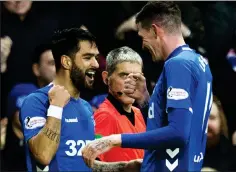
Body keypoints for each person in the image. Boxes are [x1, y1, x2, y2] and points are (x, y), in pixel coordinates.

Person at [82, 2, 213, 172]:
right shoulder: (199, 62)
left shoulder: (178, 64)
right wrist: (144, 98)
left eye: (143, 37)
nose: (143, 45)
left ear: (155, 30)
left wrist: (114, 140)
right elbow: (171, 126)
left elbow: (178, 132)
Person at [19, 28, 142, 172]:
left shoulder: (85, 107)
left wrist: (124, 167)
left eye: (95, 58)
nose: (96, 64)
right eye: (88, 57)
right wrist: (56, 108)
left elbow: (86, 164)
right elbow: (43, 155)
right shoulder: (37, 101)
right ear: (66, 62)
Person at [2, 43, 55, 172]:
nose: (58, 68)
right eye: (52, 63)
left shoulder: (73, 99)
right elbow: (24, 120)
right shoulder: (24, 91)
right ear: (36, 69)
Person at [94, 46, 146, 162]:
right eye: (124, 75)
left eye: (136, 77)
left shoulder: (140, 113)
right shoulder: (104, 116)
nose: (130, 83)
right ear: (106, 78)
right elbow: (94, 164)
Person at [202, 95, 236, 171]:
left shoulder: (234, 156)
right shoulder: (182, 154)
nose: (206, 124)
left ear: (221, 122)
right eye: (202, 118)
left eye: (211, 118)